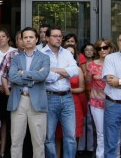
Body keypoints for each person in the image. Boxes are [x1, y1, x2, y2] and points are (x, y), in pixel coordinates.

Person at [7, 27, 50, 158]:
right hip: (19, 101)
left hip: (37, 102)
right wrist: (32, 79)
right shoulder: (16, 58)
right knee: (16, 141)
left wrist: (23, 73)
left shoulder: (44, 57)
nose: (28, 40)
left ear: (36, 39)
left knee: (38, 142)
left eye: (31, 37)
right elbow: (12, 77)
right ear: (21, 41)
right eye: (25, 37)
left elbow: (42, 76)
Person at [41, 26, 79, 158]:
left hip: (67, 97)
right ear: (47, 38)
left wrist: (55, 70)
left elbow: (75, 71)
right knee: (48, 136)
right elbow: (44, 76)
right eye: (55, 36)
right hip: (49, 97)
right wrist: (64, 72)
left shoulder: (67, 53)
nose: (58, 38)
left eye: (60, 36)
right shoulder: (40, 53)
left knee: (70, 136)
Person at [86, 38, 114, 158]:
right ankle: (100, 155)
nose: (102, 50)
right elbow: (87, 82)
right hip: (96, 102)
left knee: (114, 132)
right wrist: (89, 73)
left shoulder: (116, 62)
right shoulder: (92, 65)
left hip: (113, 101)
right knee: (100, 133)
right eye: (99, 48)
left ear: (110, 48)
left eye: (105, 47)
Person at [0, 28, 16, 158]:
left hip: (10, 89)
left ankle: (3, 150)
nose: (1, 39)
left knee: (6, 121)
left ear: (8, 38)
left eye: (3, 36)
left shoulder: (15, 52)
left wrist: (5, 87)